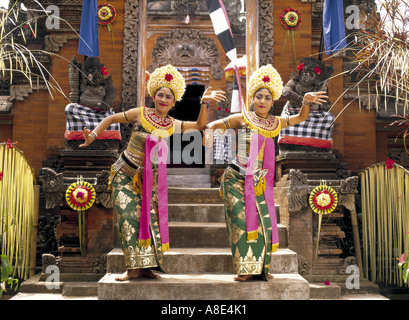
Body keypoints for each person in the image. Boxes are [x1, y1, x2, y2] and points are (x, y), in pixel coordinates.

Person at [80, 64, 226, 280]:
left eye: (168, 96)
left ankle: (147, 267)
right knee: (128, 218)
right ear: (153, 95)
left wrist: (203, 102)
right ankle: (132, 268)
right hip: (125, 173)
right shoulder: (140, 114)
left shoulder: (172, 124)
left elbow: (199, 125)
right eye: (160, 95)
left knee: (149, 220)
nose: (163, 100)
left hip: (149, 180)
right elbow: (111, 119)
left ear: (174, 101)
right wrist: (92, 135)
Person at [205, 64, 328, 281]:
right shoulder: (242, 118)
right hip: (235, 178)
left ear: (273, 102)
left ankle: (261, 267)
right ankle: (245, 269)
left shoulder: (275, 123)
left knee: (264, 224)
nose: (262, 101)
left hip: (259, 182)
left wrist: (305, 102)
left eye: (267, 98)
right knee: (242, 223)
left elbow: (299, 118)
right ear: (252, 98)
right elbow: (213, 125)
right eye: (259, 96)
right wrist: (208, 130)